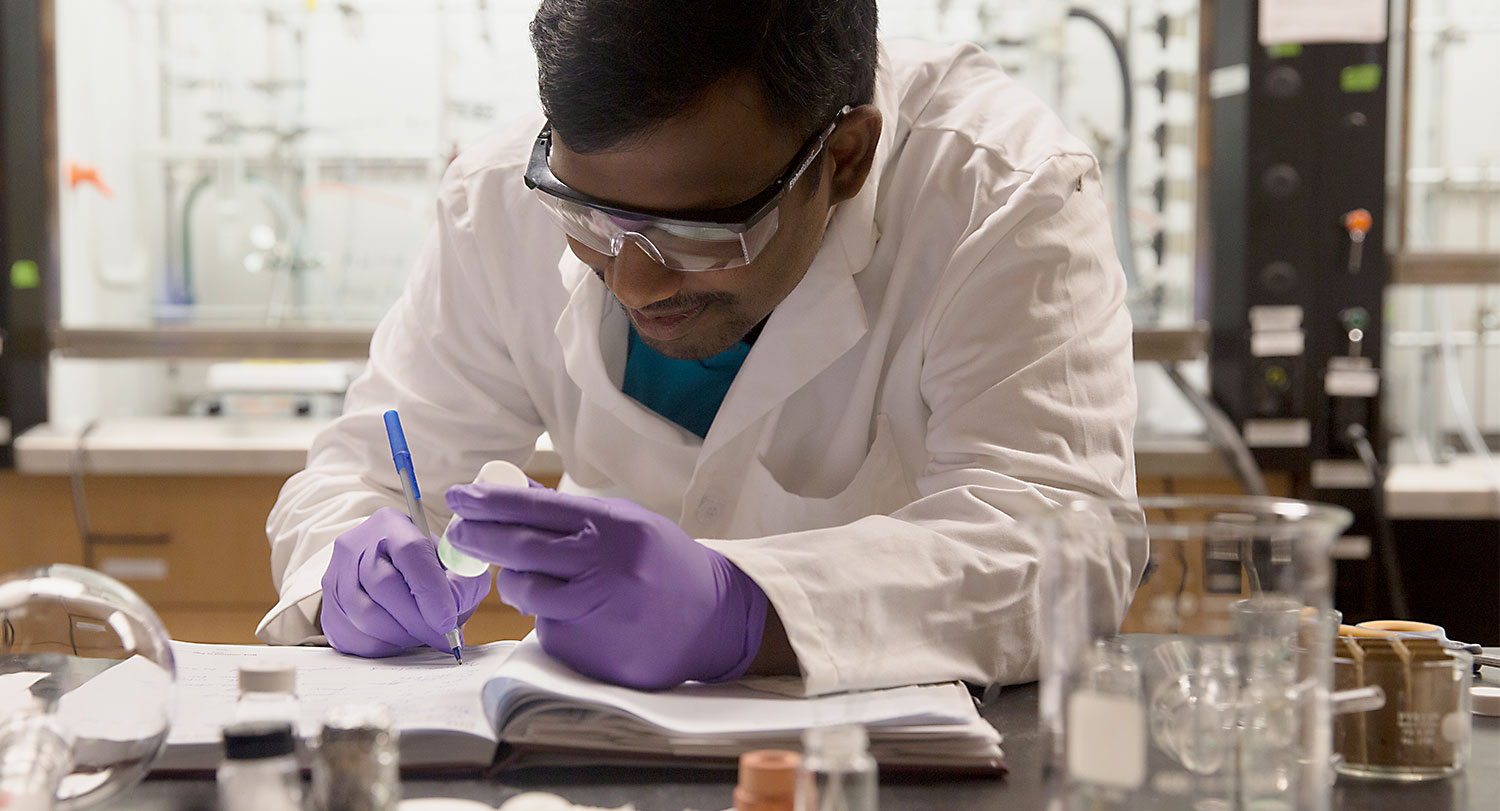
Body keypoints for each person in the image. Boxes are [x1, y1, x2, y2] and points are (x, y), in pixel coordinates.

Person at [257, 0, 1144, 696]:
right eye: (587, 219)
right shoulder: (500, 199)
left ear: (843, 158)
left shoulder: (999, 194)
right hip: (592, 751)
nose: (635, 282)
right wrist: (349, 566)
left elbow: (1066, 543)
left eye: (698, 235)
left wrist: (747, 607)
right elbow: (364, 474)